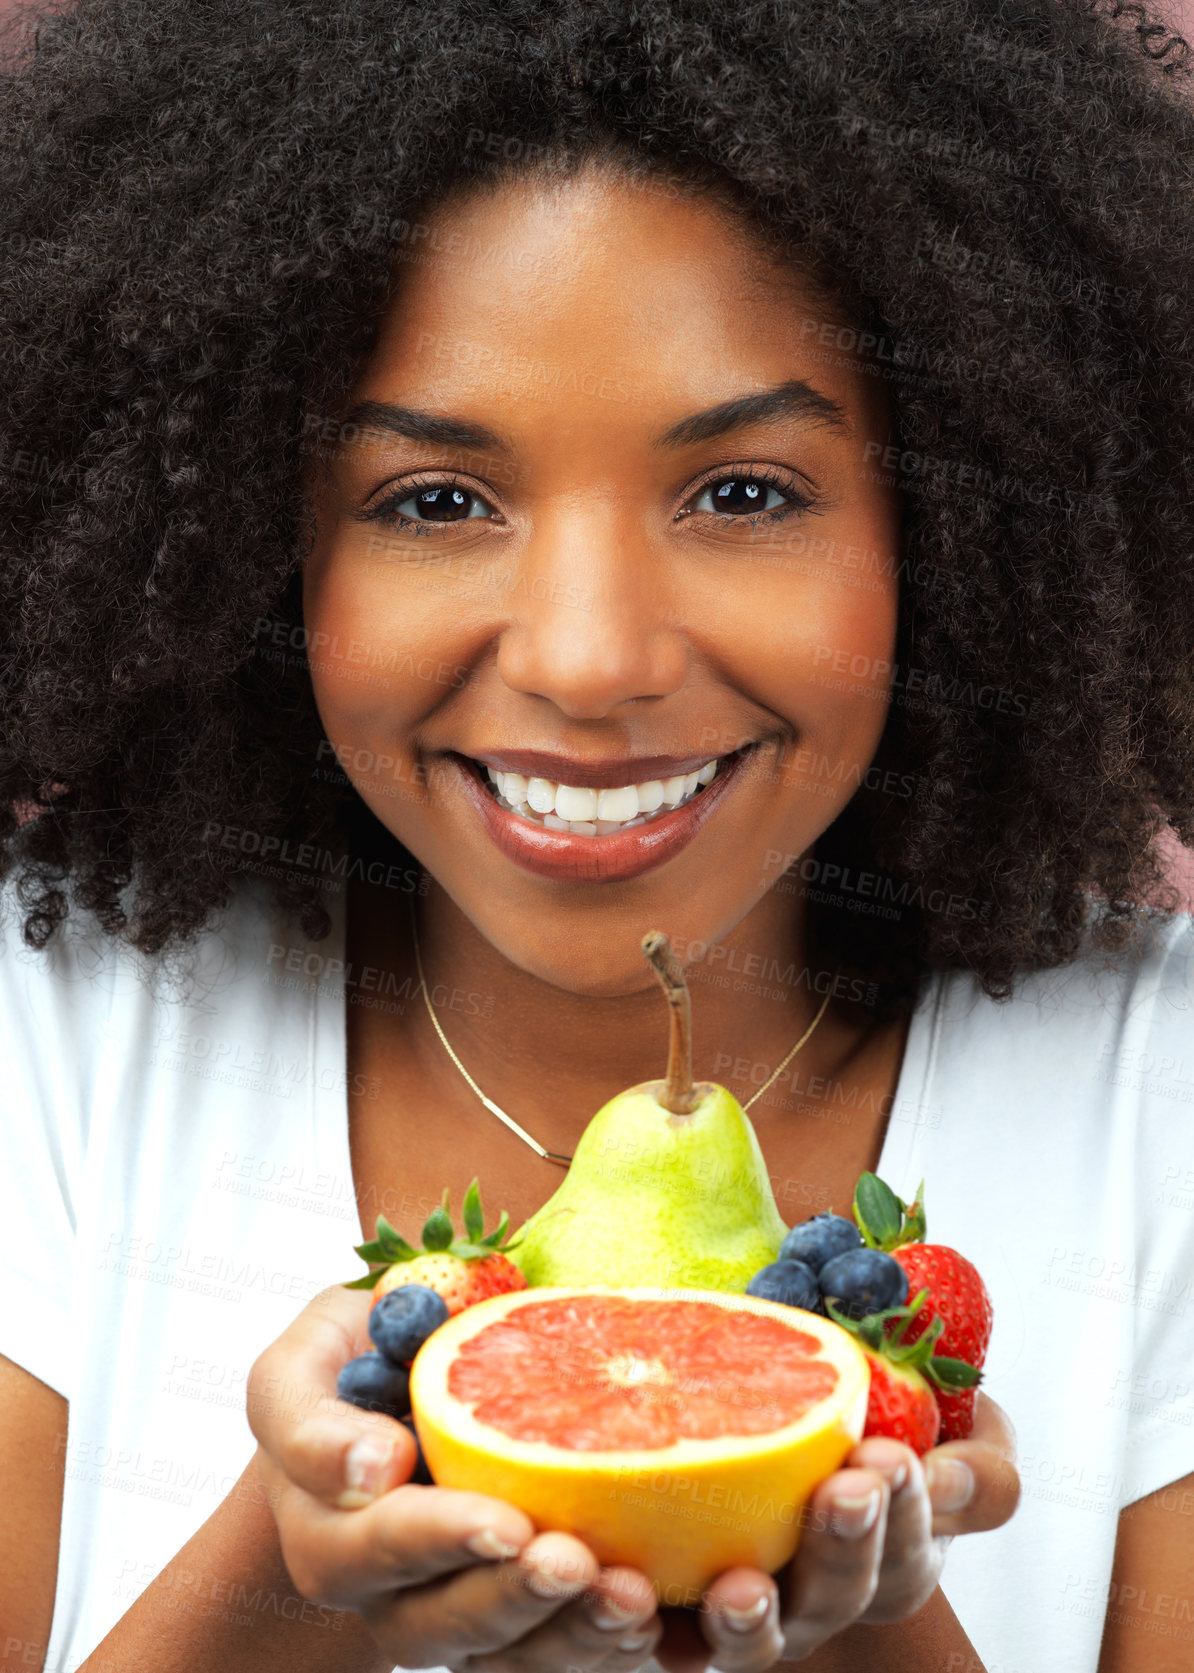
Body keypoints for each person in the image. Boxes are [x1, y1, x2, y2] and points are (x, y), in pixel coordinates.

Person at [2, 1, 1193, 1670]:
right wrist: (289, 1573)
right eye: (434, 501)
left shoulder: (1164, 1093)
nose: (587, 657)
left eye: (743, 493)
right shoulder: (47, 1043)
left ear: (965, 524)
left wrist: (860, 1612)